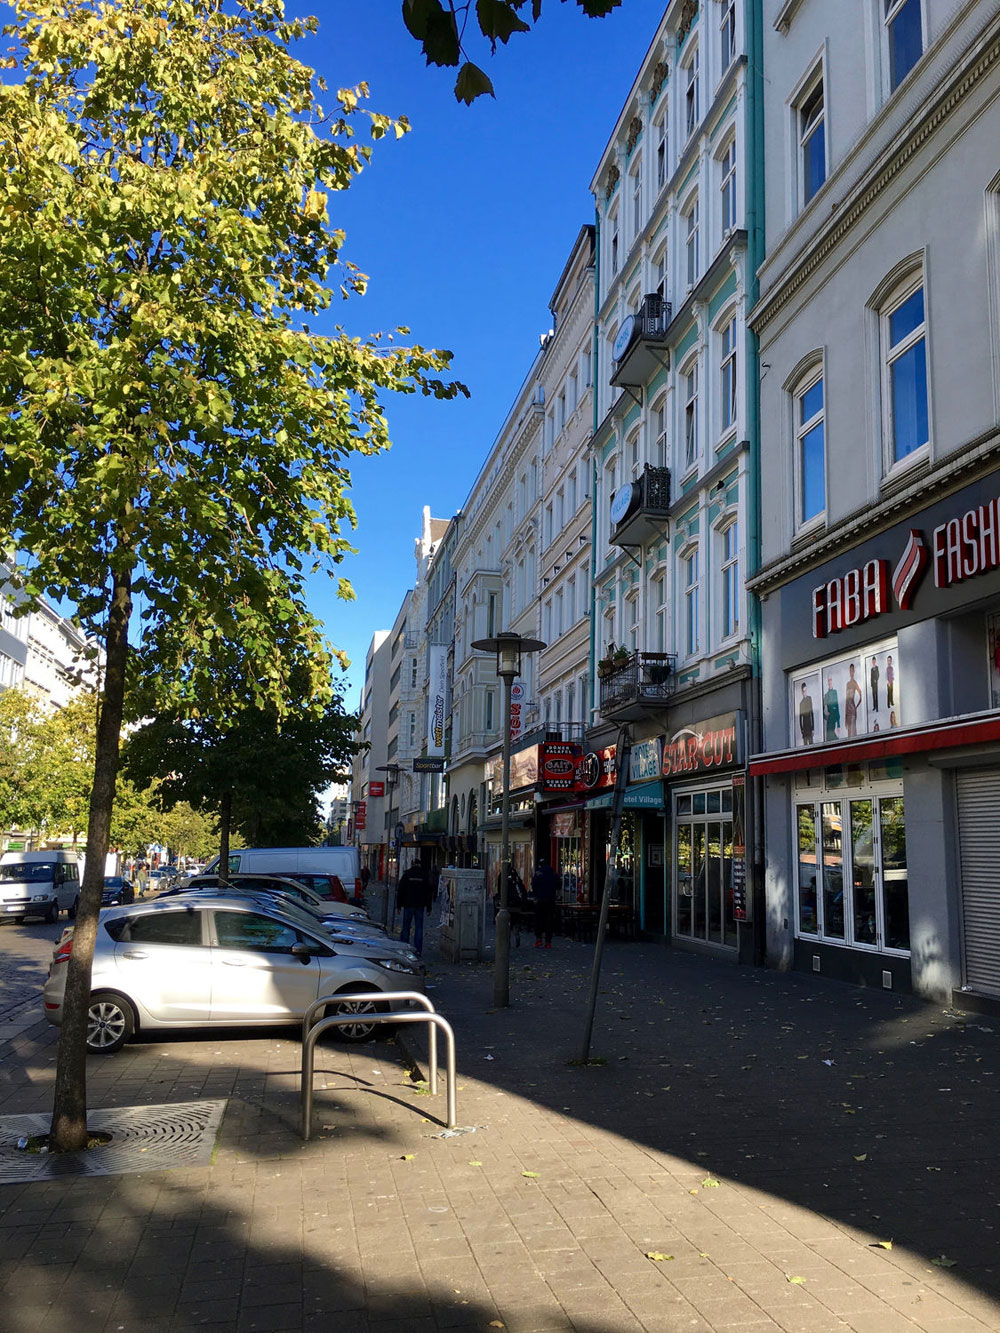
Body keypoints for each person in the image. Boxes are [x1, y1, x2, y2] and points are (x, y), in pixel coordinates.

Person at [396, 860, 433, 956]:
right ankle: (418, 950)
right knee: (419, 928)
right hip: (420, 905)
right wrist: (429, 907)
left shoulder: (407, 874)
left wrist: (399, 905)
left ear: (412, 864)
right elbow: (429, 892)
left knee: (406, 927)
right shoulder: (424, 875)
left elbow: (401, 890)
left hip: (408, 904)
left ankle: (404, 948)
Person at [531, 857, 560, 949]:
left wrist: (536, 895)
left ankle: (538, 939)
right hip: (551, 900)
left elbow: (533, 886)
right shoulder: (554, 874)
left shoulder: (538, 874)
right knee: (549, 921)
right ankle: (548, 942)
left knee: (538, 920)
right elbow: (559, 885)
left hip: (540, 900)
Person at [844, 663, 861, 738]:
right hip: (848, 712)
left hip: (853, 711)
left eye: (852, 671)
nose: (851, 672)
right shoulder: (847, 684)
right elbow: (846, 700)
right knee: (849, 734)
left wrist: (856, 707)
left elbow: (861, 695)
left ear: (854, 672)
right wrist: (845, 717)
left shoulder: (854, 683)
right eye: (850, 671)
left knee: (853, 733)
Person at [823, 675, 840, 741]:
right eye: (828, 680)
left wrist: (838, 724)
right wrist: (825, 715)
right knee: (829, 736)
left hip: (834, 718)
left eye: (830, 680)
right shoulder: (826, 695)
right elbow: (822, 708)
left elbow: (837, 706)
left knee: (832, 736)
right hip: (829, 719)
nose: (829, 682)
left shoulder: (835, 692)